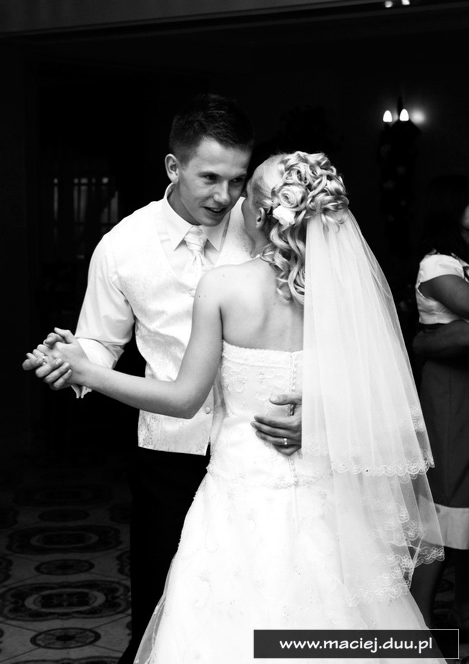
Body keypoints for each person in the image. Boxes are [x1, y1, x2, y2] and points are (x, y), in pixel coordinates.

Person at [27, 151, 444, 663]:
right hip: (326, 500)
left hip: (238, 495)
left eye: (245, 192)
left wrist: (88, 371)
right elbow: (381, 392)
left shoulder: (223, 287)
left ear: (262, 214)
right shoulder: (341, 295)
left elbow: (184, 399)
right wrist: (324, 415)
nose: (233, 201)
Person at [22, 94, 301, 664]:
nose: (225, 196)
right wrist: (73, 358)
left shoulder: (267, 228)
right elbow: (101, 342)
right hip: (171, 453)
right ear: (173, 166)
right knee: (166, 608)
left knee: (269, 607)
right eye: (209, 178)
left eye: (237, 179)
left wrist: (317, 409)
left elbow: (318, 331)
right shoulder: (122, 246)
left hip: (266, 448)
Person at [410, 175, 469, 634]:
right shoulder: (438, 263)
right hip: (450, 388)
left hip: (463, 378)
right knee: (444, 500)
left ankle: (462, 618)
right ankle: (418, 618)